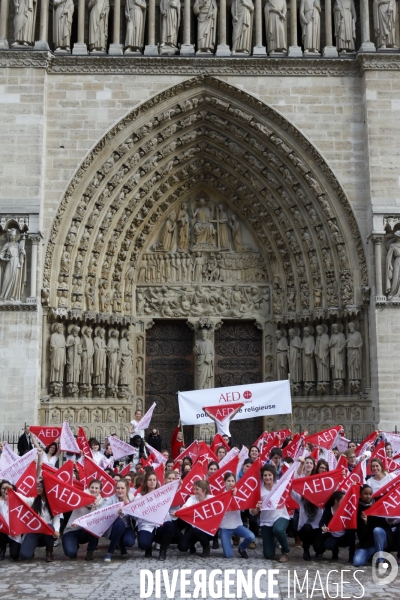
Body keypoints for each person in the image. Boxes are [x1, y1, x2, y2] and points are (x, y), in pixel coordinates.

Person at [251, 465, 290, 562]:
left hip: (281, 516)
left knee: (278, 529)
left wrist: (301, 464)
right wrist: (256, 508)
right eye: (265, 475)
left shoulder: (280, 485)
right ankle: (274, 539)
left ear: (274, 476)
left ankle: (285, 551)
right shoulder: (258, 490)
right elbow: (252, 512)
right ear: (262, 477)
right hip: (266, 522)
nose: (267, 477)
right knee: (268, 555)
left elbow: (293, 477)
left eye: (270, 475)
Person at [136, 471, 175, 560]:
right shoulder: (139, 496)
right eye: (150, 480)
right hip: (146, 525)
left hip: (160, 524)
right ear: (146, 482)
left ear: (157, 481)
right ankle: (148, 547)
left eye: (154, 480)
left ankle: (163, 550)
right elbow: (134, 511)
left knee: (169, 525)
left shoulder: (162, 495)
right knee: (143, 544)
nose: (152, 482)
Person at [19, 479, 61, 562]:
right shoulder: (33, 501)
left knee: (50, 526)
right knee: (24, 555)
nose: (38, 488)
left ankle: (49, 552)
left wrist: (56, 531)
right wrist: (11, 490)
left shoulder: (53, 503)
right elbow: (21, 498)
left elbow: (56, 519)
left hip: (47, 533)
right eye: (37, 486)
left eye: (40, 486)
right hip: (34, 532)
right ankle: (31, 548)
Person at [62, 479, 103, 560]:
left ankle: (90, 551)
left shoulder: (101, 503)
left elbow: (94, 520)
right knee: (70, 553)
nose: (94, 490)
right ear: (88, 488)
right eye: (92, 487)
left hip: (86, 531)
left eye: (96, 488)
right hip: (72, 529)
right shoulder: (79, 497)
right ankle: (73, 544)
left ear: (100, 490)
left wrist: (93, 508)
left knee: (94, 526)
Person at [353, 484, 393, 566]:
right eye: (365, 494)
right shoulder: (357, 509)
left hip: (382, 538)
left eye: (370, 494)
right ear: (360, 494)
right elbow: (361, 535)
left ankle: (380, 559)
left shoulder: (377, 504)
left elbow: (384, 525)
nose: (368, 496)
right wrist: (365, 523)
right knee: (357, 562)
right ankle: (373, 553)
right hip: (369, 542)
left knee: (377, 530)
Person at [219, 472, 255, 559]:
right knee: (228, 555)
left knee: (251, 536)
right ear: (224, 482)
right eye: (228, 481)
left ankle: (242, 548)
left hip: (237, 525)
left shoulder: (239, 493)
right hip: (225, 527)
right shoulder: (220, 495)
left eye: (232, 481)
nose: (231, 483)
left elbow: (247, 503)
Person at [177, 480, 214, 557]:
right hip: (194, 528)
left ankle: (206, 546)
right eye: (194, 489)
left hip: (208, 529)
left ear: (204, 490)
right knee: (182, 547)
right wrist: (178, 512)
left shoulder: (212, 498)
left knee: (198, 530)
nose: (194, 491)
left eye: (197, 489)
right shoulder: (192, 498)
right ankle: (191, 544)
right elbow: (185, 507)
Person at [103, 480, 135, 562]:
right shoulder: (112, 499)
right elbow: (103, 510)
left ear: (127, 489)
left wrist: (129, 510)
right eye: (118, 488)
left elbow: (136, 516)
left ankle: (121, 544)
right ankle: (110, 552)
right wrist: (115, 512)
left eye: (122, 488)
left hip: (127, 527)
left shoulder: (132, 498)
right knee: (120, 524)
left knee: (129, 542)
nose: (120, 490)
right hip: (114, 528)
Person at [320, 490, 355, 561]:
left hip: (345, 537)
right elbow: (322, 522)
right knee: (328, 545)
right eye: (343, 500)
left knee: (351, 532)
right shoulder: (329, 510)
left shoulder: (347, 510)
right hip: (333, 536)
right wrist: (323, 527)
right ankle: (335, 551)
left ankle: (351, 554)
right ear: (336, 501)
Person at [0, 481, 21, 561]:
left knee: (14, 555)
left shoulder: (19, 506)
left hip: (15, 534)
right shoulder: (1, 505)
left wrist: (16, 531)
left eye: (9, 492)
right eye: (5, 492)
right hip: (4, 533)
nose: (7, 494)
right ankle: (2, 550)